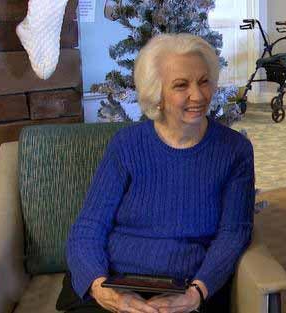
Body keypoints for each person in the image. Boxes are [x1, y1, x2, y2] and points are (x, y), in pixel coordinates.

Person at [59, 33, 255, 313]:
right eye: (180, 85)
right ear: (157, 94)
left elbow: (233, 233)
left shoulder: (235, 151)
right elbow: (89, 226)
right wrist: (102, 289)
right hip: (115, 282)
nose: (198, 95)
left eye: (203, 81)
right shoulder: (127, 145)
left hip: (187, 288)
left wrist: (196, 293)